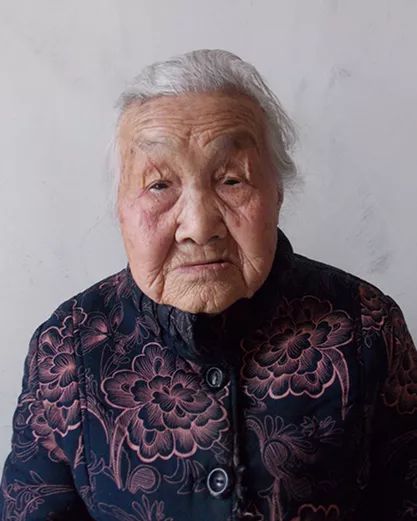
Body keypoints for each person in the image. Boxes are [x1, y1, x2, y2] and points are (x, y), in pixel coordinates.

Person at [1, 48, 416, 521]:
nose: (199, 227)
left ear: (277, 192)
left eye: (232, 180)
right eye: (159, 185)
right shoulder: (68, 347)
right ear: (120, 206)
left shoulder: (366, 325)